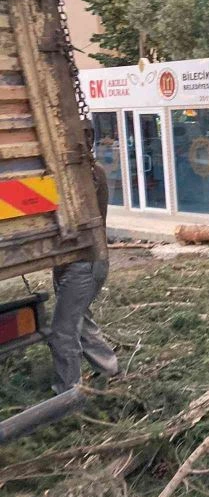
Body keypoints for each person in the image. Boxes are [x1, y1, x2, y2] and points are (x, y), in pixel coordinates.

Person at [48, 163, 119, 394]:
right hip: (85, 263)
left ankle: (68, 394)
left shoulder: (89, 174)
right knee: (81, 318)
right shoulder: (85, 170)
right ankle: (109, 368)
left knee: (62, 331)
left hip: (84, 265)